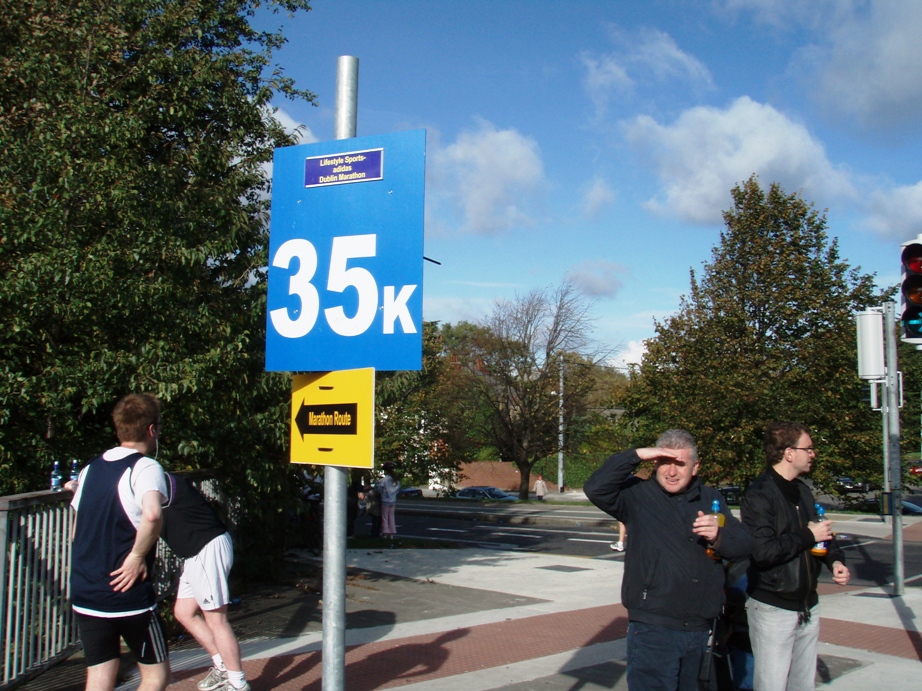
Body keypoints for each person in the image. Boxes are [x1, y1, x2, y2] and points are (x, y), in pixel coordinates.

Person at [584, 429, 753, 690]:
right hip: (654, 626)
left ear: (695, 467)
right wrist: (636, 454)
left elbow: (743, 545)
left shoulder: (711, 498)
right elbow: (595, 487)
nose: (671, 472)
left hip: (699, 626)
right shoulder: (637, 494)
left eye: (680, 464)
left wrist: (719, 537)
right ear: (654, 462)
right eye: (665, 462)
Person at [70, 393, 170, 691]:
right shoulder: (145, 468)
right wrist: (137, 556)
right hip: (128, 594)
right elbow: (152, 515)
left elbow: (77, 530)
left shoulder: (90, 468)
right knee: (156, 675)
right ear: (152, 429)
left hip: (87, 590)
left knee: (100, 676)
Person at [741, 422, 850, 691]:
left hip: (807, 606)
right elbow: (763, 552)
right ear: (789, 453)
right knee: (772, 685)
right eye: (808, 448)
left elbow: (822, 533)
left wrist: (835, 560)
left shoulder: (803, 491)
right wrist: (808, 536)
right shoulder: (759, 495)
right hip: (773, 610)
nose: (813, 454)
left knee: (803, 686)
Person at [161, 473, 249, 691]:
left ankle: (237, 683)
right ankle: (222, 666)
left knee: (216, 619)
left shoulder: (160, 481)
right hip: (194, 553)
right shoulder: (147, 482)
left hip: (206, 547)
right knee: (184, 612)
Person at [378, 462, 400, 539]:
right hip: (393, 500)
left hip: (385, 500)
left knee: (385, 517)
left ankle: (385, 532)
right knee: (391, 517)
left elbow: (379, 489)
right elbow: (397, 490)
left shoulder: (384, 480)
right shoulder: (396, 480)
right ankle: (392, 532)